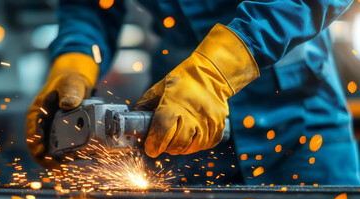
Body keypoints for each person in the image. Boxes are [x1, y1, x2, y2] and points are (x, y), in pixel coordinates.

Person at [26, 0, 360, 185]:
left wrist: (217, 68)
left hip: (299, 129)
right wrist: (75, 60)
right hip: (173, 117)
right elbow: (90, 7)